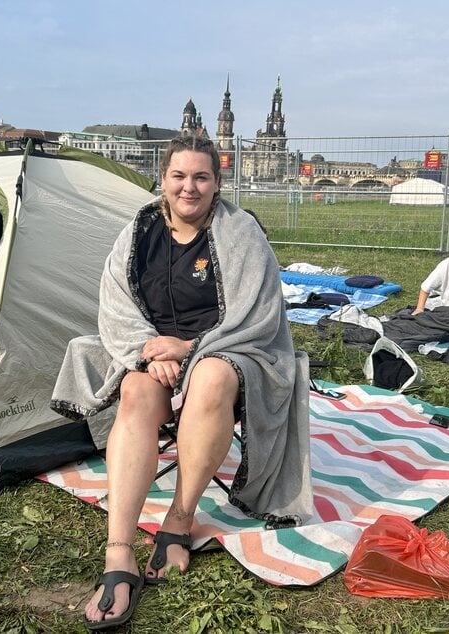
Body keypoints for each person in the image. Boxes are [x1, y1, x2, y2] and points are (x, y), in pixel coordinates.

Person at [50, 135, 311, 630]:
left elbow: (258, 316)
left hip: (231, 351)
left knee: (210, 378)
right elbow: (116, 302)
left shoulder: (241, 234)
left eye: (201, 177)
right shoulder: (138, 232)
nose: (188, 187)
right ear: (163, 179)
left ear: (217, 183)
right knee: (135, 390)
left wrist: (190, 349)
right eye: (179, 176)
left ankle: (179, 518)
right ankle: (119, 550)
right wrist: (150, 350)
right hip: (152, 353)